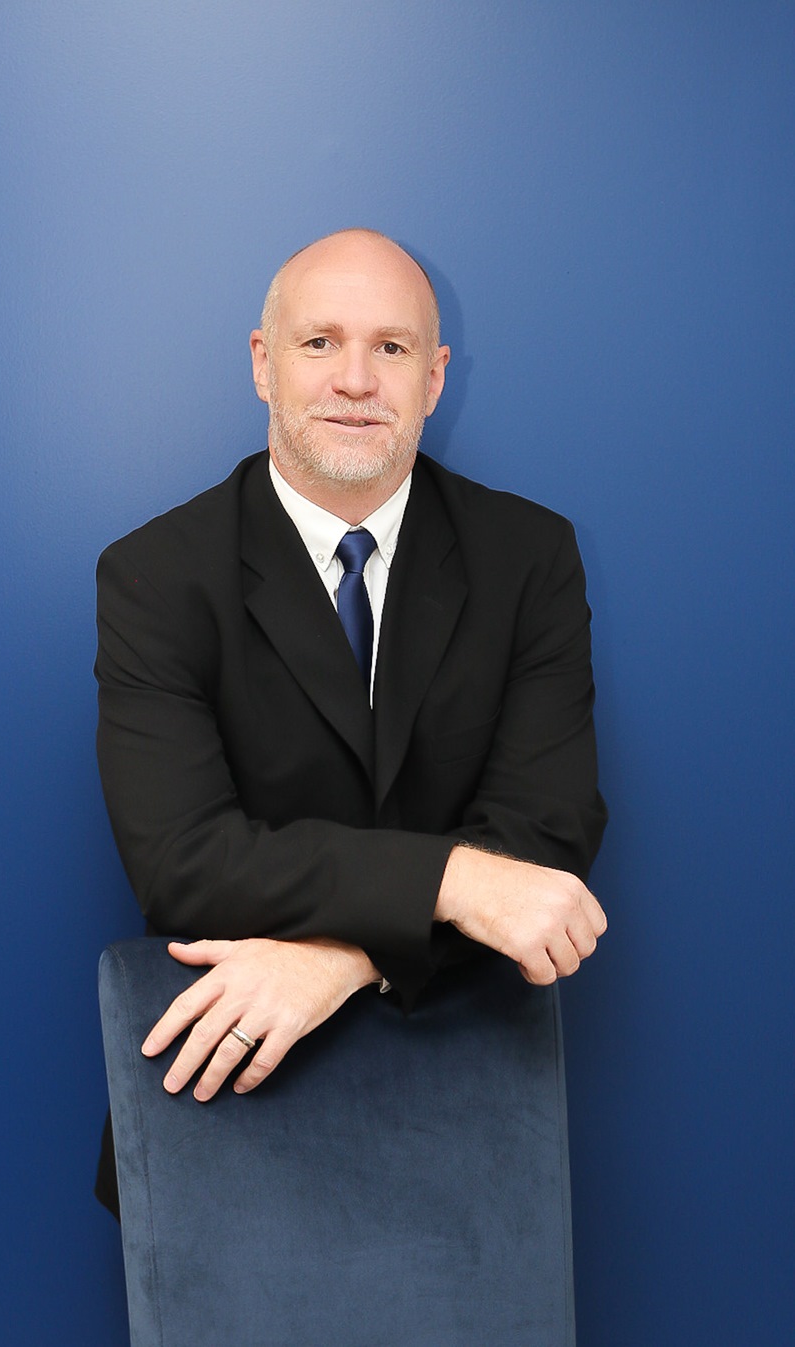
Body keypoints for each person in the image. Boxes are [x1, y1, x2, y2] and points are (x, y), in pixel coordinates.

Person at [94, 228, 607, 1212]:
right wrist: (456, 880)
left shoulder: (531, 557)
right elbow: (183, 861)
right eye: (320, 342)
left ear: (434, 377)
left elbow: (545, 844)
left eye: (392, 347)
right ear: (263, 363)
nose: (356, 380)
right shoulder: (155, 576)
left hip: (472, 1095)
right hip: (222, 1091)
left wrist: (345, 958)